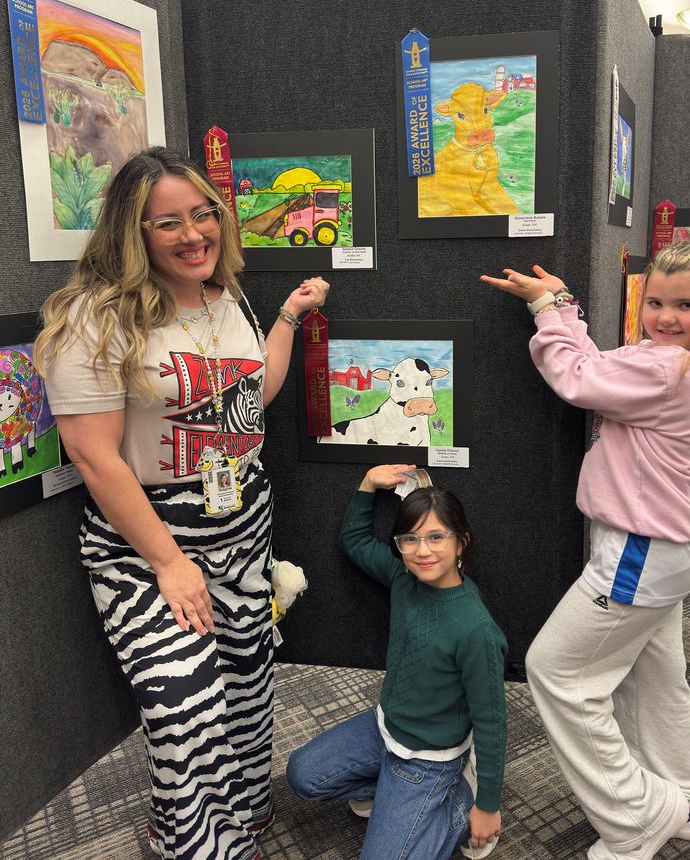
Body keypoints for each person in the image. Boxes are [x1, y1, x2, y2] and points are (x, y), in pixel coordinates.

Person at [36, 147, 329, 860]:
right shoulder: (92, 317)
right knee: (182, 708)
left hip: (241, 525)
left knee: (245, 684)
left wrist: (286, 319)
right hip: (149, 542)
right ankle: (192, 842)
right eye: (167, 222)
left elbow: (248, 402)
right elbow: (95, 456)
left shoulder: (226, 298)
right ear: (131, 233)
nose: (193, 234)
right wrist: (168, 562)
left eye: (203, 214)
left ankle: (242, 817)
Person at [481, 241, 690, 860]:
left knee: (558, 672)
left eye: (686, 304)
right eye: (655, 302)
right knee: (654, 679)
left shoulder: (670, 367)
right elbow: (607, 365)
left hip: (639, 552)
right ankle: (686, 799)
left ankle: (635, 818)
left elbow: (580, 377)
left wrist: (550, 311)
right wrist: (563, 304)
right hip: (667, 546)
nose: (666, 316)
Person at [285, 464, 508, 860]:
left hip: (427, 761)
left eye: (437, 537)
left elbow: (492, 723)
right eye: (410, 539)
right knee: (302, 776)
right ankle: (389, 792)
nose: (422, 551)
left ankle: (459, 800)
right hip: (383, 728)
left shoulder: (477, 631)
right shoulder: (403, 578)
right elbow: (352, 541)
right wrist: (368, 484)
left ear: (461, 543)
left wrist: (487, 807)